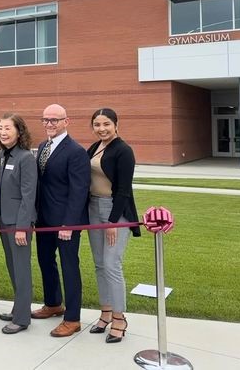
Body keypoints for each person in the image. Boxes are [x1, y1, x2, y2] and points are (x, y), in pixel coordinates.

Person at [33, 104, 91, 337]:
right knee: (45, 262)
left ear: (66, 121)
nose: (49, 124)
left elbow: (80, 191)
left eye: (54, 120)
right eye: (46, 119)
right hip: (44, 219)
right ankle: (53, 303)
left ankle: (73, 318)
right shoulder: (42, 146)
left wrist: (69, 224)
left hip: (66, 222)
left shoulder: (75, 151)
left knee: (69, 267)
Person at [86, 108, 140, 344]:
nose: (102, 129)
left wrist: (111, 221)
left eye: (106, 124)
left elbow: (123, 190)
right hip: (93, 208)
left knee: (112, 264)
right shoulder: (94, 147)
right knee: (99, 264)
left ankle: (119, 318)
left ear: (116, 124)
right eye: (97, 125)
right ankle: (106, 312)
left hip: (115, 211)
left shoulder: (123, 151)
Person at [0, 113, 37, 334]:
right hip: (4, 220)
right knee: (12, 268)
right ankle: (18, 307)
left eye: (7, 128)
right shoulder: (3, 154)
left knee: (21, 270)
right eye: (1, 128)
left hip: (18, 224)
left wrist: (22, 226)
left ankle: (22, 319)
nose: (3, 132)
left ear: (19, 132)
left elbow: (28, 195)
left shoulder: (25, 158)